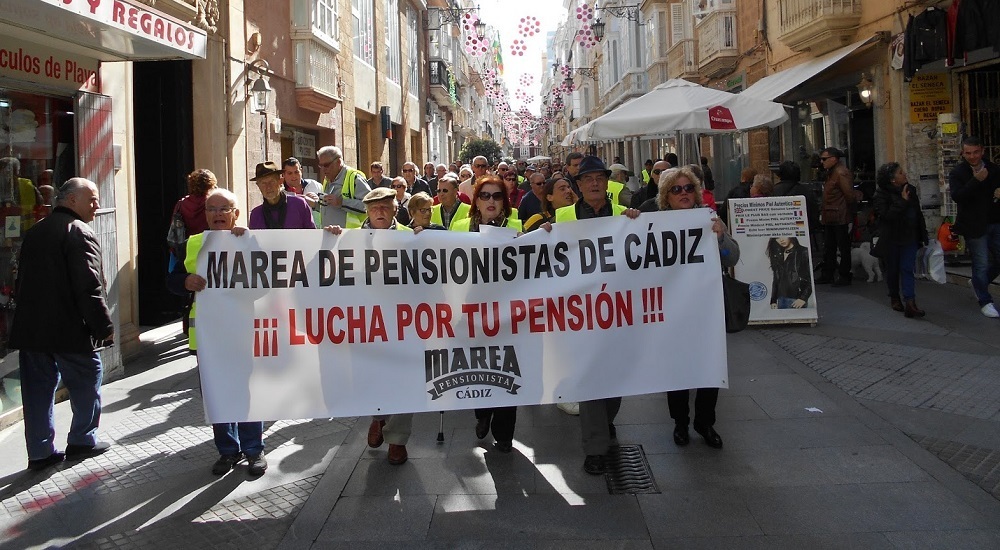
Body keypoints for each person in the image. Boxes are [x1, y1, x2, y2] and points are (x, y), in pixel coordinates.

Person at [11, 178, 114, 471]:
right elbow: (89, 285)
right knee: (87, 379)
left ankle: (40, 452)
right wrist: (103, 326)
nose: (97, 205)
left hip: (32, 329)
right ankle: (82, 440)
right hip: (68, 329)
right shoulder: (79, 231)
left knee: (37, 391)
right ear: (71, 200)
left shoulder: (36, 231)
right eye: (91, 199)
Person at [549, 156, 641, 474]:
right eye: (587, 179)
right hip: (580, 313)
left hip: (616, 310)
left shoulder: (623, 215)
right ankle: (595, 447)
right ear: (579, 185)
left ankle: (605, 421)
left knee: (613, 379)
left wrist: (638, 222)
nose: (594, 183)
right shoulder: (563, 216)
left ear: (606, 181)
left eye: (598, 178)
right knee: (590, 380)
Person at [168, 188, 268, 476]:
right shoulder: (193, 244)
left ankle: (253, 450)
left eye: (225, 208)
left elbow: (266, 282)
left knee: (246, 391)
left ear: (236, 213)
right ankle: (227, 450)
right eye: (212, 209)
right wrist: (185, 281)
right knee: (216, 394)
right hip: (208, 338)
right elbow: (171, 280)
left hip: (243, 332)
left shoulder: (249, 242)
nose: (218, 214)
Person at [649, 167, 739, 450]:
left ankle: (705, 422)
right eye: (677, 190)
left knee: (708, 367)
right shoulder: (654, 222)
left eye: (689, 188)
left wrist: (721, 236)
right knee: (676, 370)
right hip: (671, 310)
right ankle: (679, 423)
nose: (684, 193)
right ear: (666, 196)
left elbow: (731, 256)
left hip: (705, 309)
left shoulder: (709, 217)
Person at [325, 187, 413, 464]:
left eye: (385, 207)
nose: (379, 212)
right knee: (373, 378)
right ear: (366, 211)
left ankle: (397, 438)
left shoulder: (412, 239)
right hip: (367, 325)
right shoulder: (349, 239)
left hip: (403, 323)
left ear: (395, 210)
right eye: (374, 207)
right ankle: (378, 417)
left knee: (405, 380)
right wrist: (329, 241)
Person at [451, 176, 521, 453]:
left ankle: (504, 433)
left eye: (497, 196)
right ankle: (483, 412)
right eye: (485, 195)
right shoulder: (458, 228)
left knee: (508, 369)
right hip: (470, 313)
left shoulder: (516, 228)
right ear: (476, 201)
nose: (491, 201)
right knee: (479, 368)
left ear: (504, 201)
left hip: (507, 313)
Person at [948, 136, 1000, 318]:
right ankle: (985, 301)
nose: (972, 156)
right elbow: (957, 196)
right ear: (963, 153)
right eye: (968, 153)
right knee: (981, 263)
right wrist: (976, 180)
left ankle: (979, 283)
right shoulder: (958, 173)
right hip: (973, 225)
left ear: (982, 151)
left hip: (995, 221)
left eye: (975, 152)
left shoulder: (993, 169)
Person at [875, 162, 927, 317]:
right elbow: (886, 216)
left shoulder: (910, 189)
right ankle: (894, 296)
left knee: (906, 268)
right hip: (891, 237)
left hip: (909, 236)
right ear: (892, 179)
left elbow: (917, 214)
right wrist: (902, 201)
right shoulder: (881, 194)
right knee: (892, 270)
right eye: (900, 173)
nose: (904, 174)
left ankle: (910, 302)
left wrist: (923, 235)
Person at [817, 147, 860, 286]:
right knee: (830, 246)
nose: (822, 162)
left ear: (834, 159)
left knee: (842, 246)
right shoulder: (832, 172)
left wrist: (850, 213)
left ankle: (844, 275)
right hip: (831, 214)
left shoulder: (840, 173)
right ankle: (829, 273)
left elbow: (849, 195)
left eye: (824, 159)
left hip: (839, 215)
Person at [316, 145, 372, 228]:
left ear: (338, 162)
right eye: (321, 166)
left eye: (326, 165)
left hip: (351, 236)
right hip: (330, 235)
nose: (323, 169)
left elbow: (370, 206)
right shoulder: (327, 179)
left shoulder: (354, 178)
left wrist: (341, 202)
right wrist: (316, 202)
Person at [249, 162, 316, 229]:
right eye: (263, 183)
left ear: (280, 181)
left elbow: (312, 235)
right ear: (258, 185)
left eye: (272, 181)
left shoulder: (299, 205)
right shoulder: (256, 214)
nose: (268, 187)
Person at [169, 169, 217, 262]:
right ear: (211, 185)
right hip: (208, 250)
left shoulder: (181, 204)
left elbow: (174, 230)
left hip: (185, 251)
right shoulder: (213, 204)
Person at [766, 237, 812, 309]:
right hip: (781, 299)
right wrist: (773, 300)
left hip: (797, 298)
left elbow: (810, 276)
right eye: (777, 238)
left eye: (784, 235)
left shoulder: (803, 251)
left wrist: (803, 297)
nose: (781, 240)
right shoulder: (777, 254)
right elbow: (776, 278)